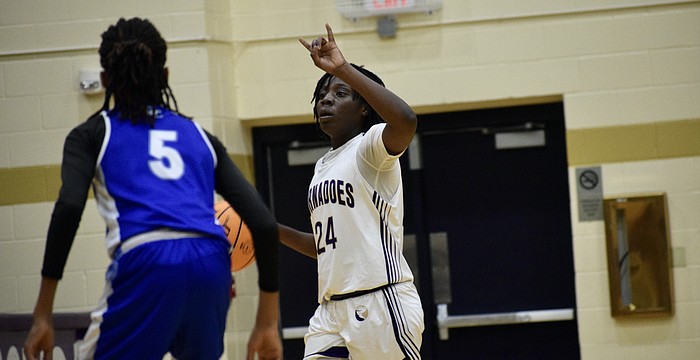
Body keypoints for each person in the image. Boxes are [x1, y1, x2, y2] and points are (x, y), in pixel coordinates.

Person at [23, 17, 282, 360]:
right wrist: (266, 323)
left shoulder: (93, 133)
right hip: (211, 262)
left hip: (146, 257)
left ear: (104, 80)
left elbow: (69, 207)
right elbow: (264, 224)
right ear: (166, 76)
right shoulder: (202, 137)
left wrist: (43, 313)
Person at [278, 24, 424, 359]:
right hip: (331, 311)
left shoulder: (370, 148)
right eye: (324, 95)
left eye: (340, 93)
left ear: (364, 109)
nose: (326, 99)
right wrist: (268, 230)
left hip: (380, 303)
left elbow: (406, 120)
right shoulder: (323, 168)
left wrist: (343, 68)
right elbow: (327, 248)